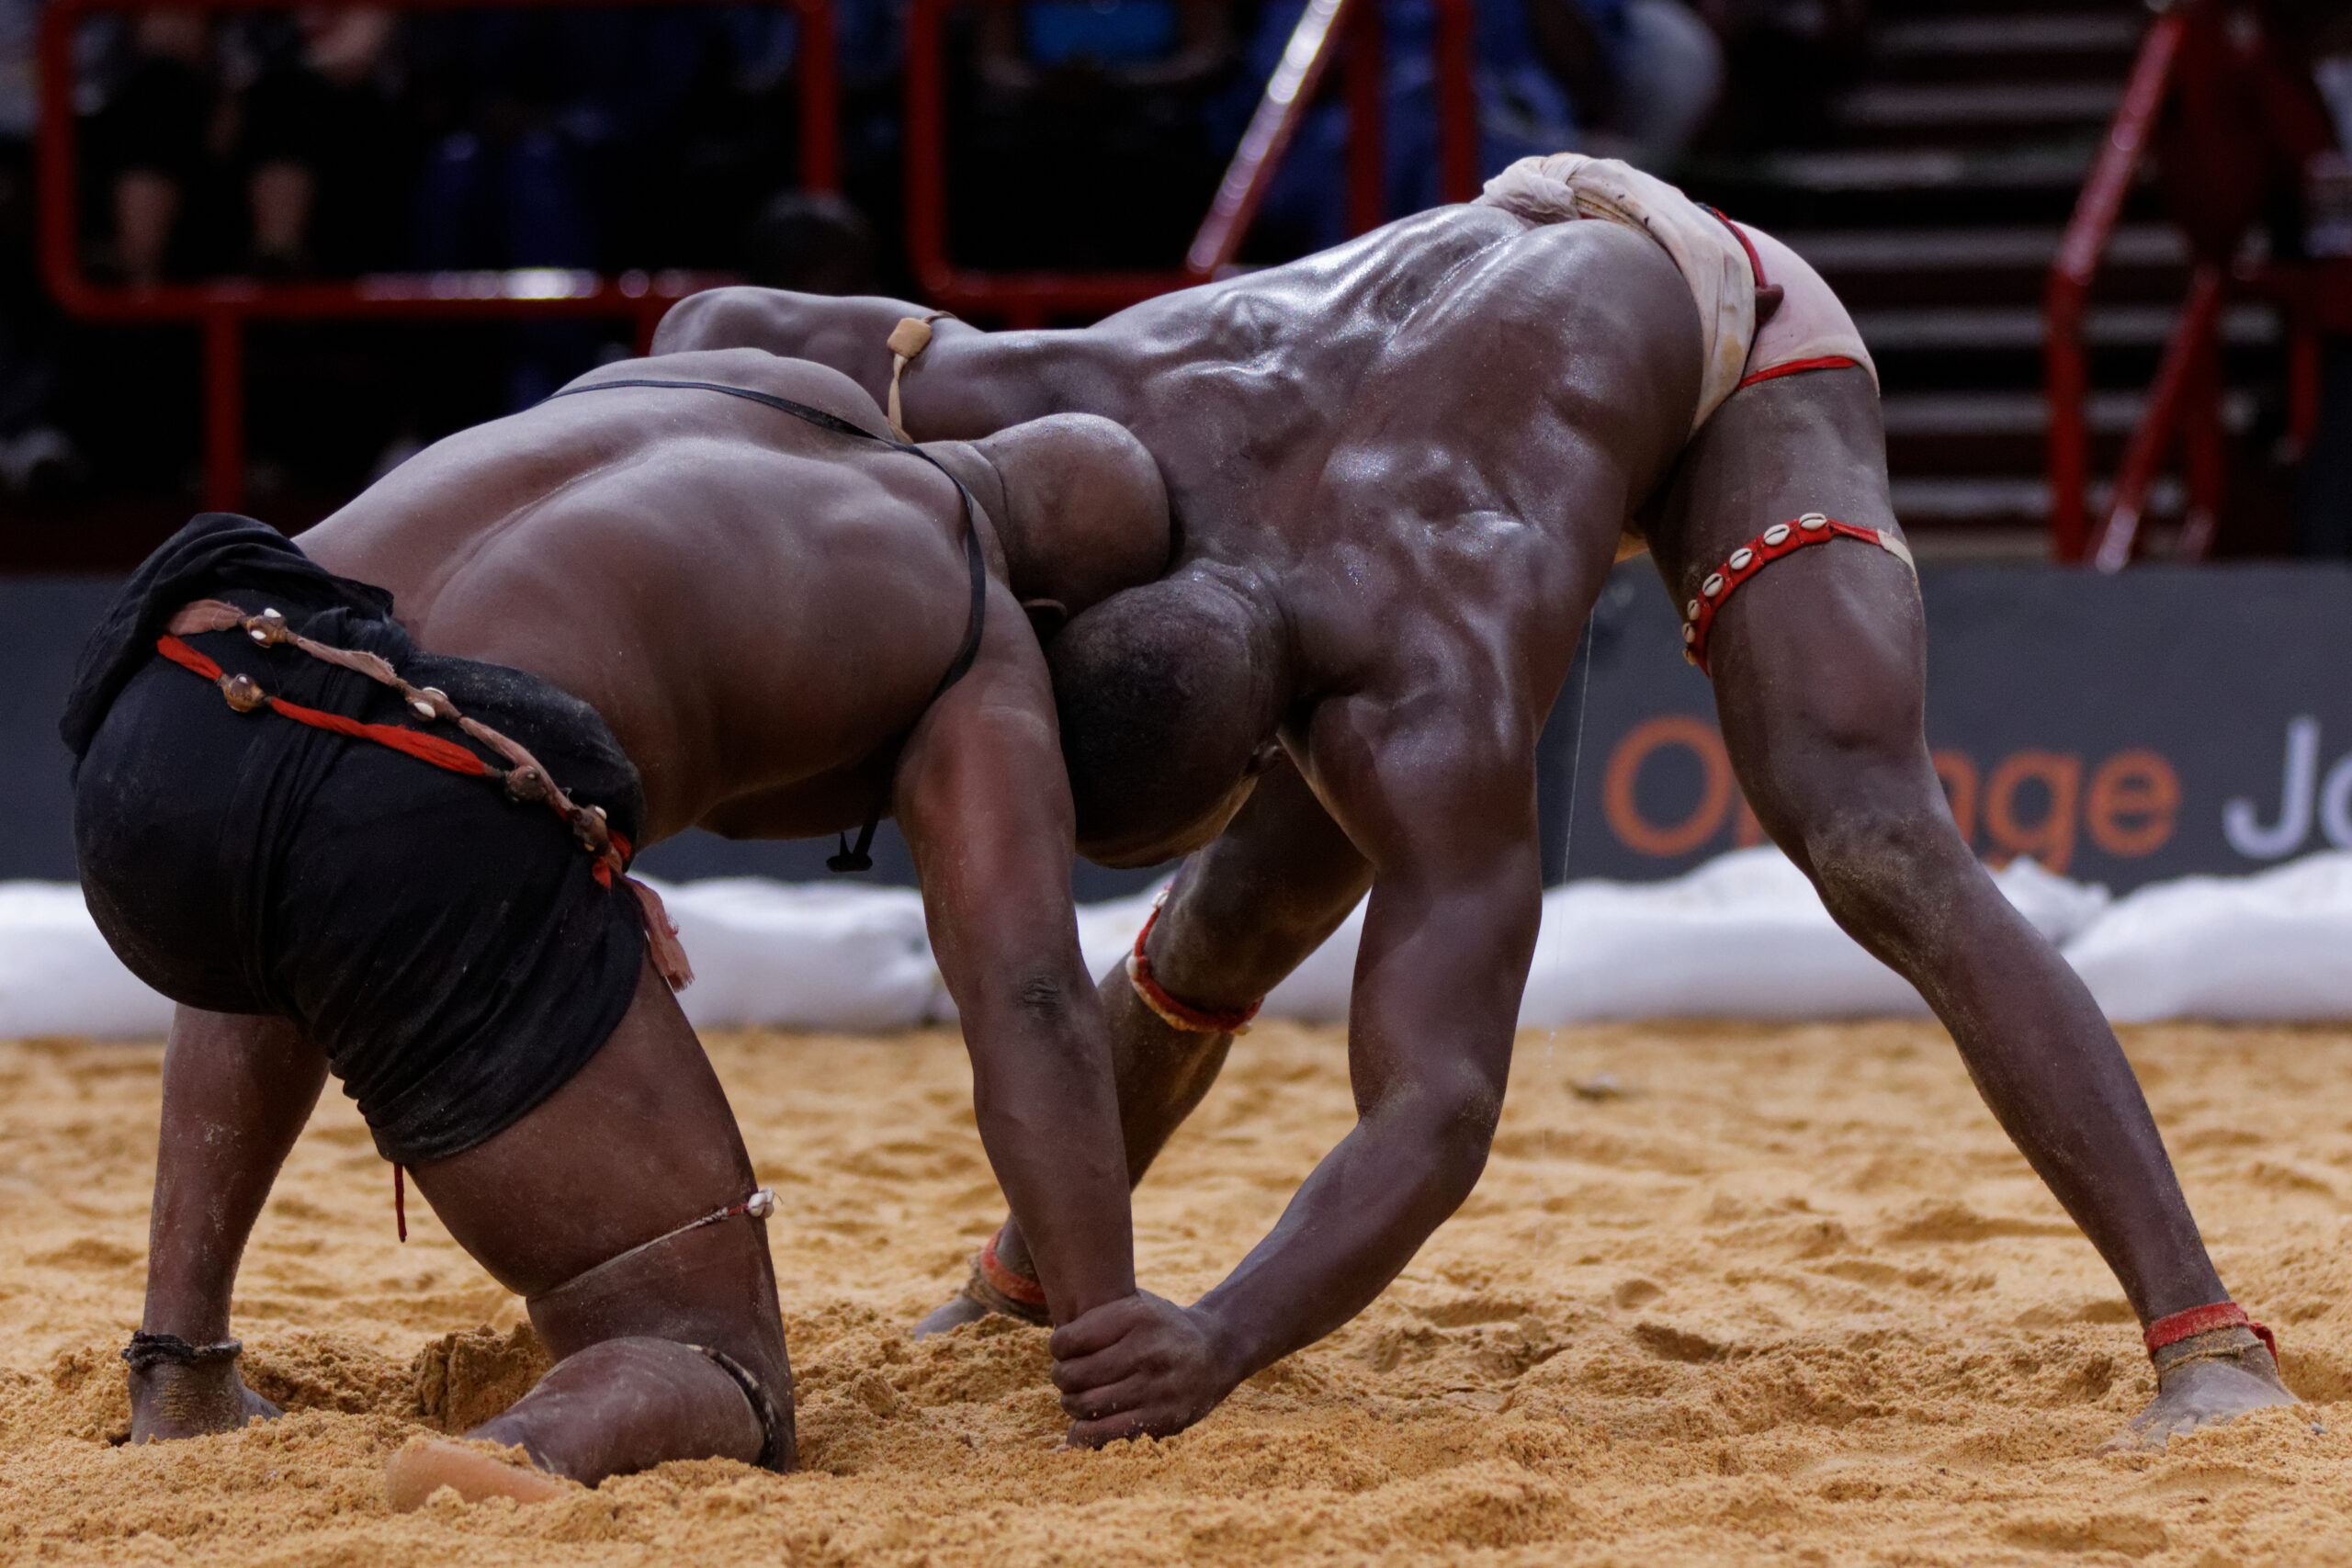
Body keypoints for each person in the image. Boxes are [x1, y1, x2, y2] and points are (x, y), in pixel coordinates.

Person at [654, 152, 2300, 1450]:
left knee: (1866, 825)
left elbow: (1436, 1112)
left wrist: (1223, 1334)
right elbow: (702, 334)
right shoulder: (1086, 402)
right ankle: (1035, 1279)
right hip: (1461, 321)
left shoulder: (1425, 683)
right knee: (1227, 920)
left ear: (1277, 738)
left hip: (1724, 332)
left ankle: (2203, 1329)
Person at [62, 348, 1168, 1502]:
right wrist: (1103, 1334)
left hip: (180, 689)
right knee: (718, 1361)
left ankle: (179, 1370)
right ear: (1057, 616)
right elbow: (1031, 993)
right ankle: (513, 1459)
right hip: (406, 815)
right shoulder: (977, 619)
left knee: (303, 829)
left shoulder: (751, 372)